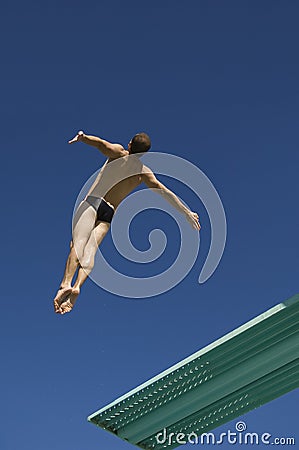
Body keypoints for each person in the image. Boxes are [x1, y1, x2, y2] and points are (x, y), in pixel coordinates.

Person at [54, 131, 200, 315]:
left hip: (94, 201)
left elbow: (100, 144)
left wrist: (83, 138)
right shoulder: (144, 173)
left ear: (130, 144)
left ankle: (66, 283)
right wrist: (186, 212)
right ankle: (78, 286)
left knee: (78, 244)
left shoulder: (119, 153)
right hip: (109, 213)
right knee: (91, 250)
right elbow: (164, 191)